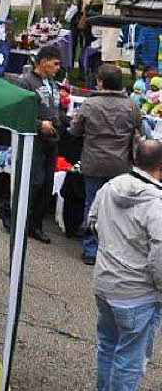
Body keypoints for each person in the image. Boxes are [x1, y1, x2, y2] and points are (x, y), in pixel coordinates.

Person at [87, 139, 162, 391]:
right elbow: (159, 256)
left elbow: (93, 221)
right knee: (129, 359)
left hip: (105, 284)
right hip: (137, 294)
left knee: (107, 347)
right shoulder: (157, 203)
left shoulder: (111, 186)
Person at [71, 64, 143, 265]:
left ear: (101, 82)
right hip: (120, 165)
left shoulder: (89, 104)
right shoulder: (131, 105)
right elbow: (141, 130)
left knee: (92, 204)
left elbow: (75, 130)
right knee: (118, 207)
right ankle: (114, 249)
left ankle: (90, 250)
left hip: (93, 162)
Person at [17, 45, 64, 244]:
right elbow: (19, 113)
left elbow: (55, 108)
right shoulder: (26, 82)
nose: (58, 68)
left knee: (46, 185)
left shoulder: (53, 83)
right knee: (33, 183)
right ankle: (19, 220)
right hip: (33, 140)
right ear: (43, 62)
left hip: (51, 140)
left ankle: (36, 224)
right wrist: (39, 124)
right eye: (55, 64)